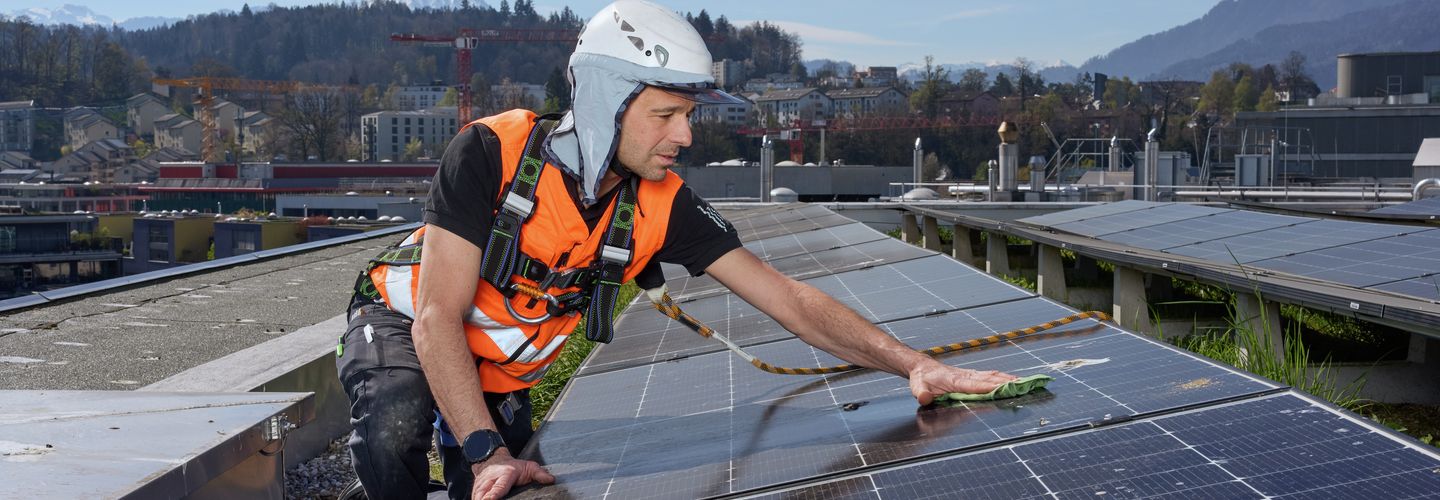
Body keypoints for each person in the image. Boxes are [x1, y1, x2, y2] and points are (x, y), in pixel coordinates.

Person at [336, 1, 1018, 499]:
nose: (686, 136)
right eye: (667, 115)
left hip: (498, 370)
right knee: (399, 424)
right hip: (404, 322)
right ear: (606, 101)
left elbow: (790, 302)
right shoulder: (490, 152)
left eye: (688, 115)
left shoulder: (662, 205)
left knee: (502, 490)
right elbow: (435, 320)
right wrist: (485, 449)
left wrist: (916, 367)